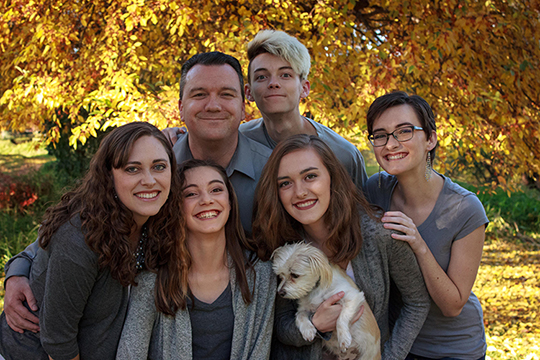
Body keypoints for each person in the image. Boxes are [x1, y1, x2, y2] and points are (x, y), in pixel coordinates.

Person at [2, 51, 272, 332]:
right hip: (160, 323)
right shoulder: (153, 169)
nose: (213, 105)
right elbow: (80, 224)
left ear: (244, 105)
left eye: (226, 94)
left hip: (248, 320)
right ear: (180, 106)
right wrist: (18, 272)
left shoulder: (273, 173)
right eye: (199, 94)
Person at [0, 122, 184, 360]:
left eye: (159, 167)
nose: (149, 180)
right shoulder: (81, 240)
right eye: (132, 169)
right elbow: (59, 345)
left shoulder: (156, 223)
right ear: (109, 176)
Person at [252, 134, 430, 359]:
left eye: (310, 176)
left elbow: (417, 302)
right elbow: (280, 325)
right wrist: (316, 325)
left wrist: (389, 357)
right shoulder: (281, 248)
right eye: (285, 183)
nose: (299, 192)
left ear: (331, 177)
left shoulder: (379, 233)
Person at [364, 91, 488, 360]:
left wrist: (418, 244)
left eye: (404, 131)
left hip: (453, 348)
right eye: (380, 135)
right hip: (396, 341)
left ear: (430, 138)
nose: (390, 144)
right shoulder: (375, 190)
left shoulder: (465, 209)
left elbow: (453, 305)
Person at [165, 30, 368, 190]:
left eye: (285, 75)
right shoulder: (238, 137)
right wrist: (175, 134)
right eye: (262, 77)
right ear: (249, 92)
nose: (273, 84)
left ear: (304, 87)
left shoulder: (342, 154)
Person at [116, 159, 276, 359]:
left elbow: (260, 352)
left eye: (216, 190)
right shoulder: (153, 278)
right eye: (191, 193)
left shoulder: (260, 273)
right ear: (176, 207)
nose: (206, 200)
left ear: (230, 201)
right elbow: (131, 353)